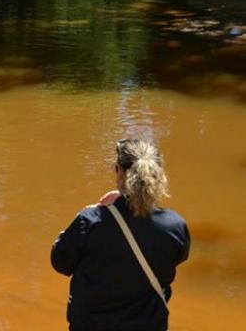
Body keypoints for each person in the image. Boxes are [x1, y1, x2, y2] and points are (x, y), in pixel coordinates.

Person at [51, 139, 190, 331]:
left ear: (119, 172)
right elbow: (177, 257)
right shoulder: (175, 226)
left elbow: (61, 263)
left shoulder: (90, 221)